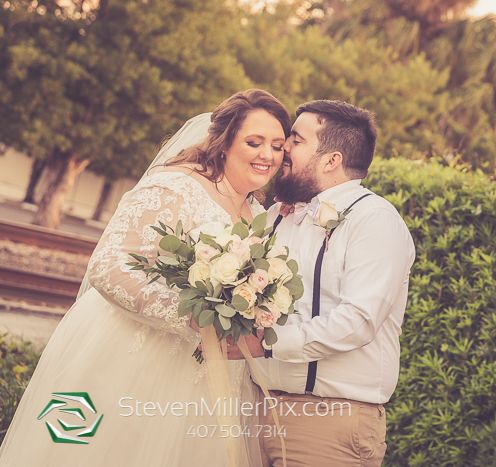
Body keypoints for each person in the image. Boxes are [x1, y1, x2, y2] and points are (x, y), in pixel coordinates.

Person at [0, 89, 291, 467]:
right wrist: (192, 317)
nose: (268, 154)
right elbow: (107, 266)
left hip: (211, 374)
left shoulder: (256, 210)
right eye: (255, 142)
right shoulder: (175, 185)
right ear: (224, 142)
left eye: (278, 145)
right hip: (135, 355)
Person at [228, 100, 416, 467]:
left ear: (331, 160)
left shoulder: (374, 220)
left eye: (295, 141)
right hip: (252, 409)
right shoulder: (274, 218)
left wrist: (264, 343)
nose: (282, 151)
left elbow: (358, 321)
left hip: (329, 421)